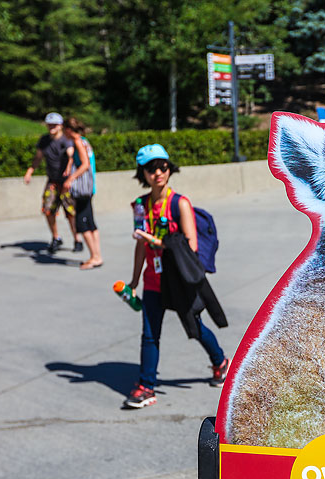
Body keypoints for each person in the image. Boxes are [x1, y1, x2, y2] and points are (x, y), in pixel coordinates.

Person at [123, 144, 230, 409]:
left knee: (195, 327)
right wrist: (134, 280)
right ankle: (146, 387)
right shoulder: (140, 206)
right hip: (153, 280)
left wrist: (157, 242)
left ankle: (220, 361)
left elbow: (190, 246)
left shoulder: (179, 203)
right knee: (149, 334)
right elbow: (140, 246)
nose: (158, 173)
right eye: (151, 169)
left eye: (163, 167)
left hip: (178, 279)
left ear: (170, 169)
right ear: (143, 173)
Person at [23, 112, 81, 254]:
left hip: (66, 181)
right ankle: (56, 237)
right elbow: (38, 158)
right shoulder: (44, 140)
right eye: (49, 125)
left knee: (70, 212)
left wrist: (69, 167)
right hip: (53, 180)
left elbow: (71, 154)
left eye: (54, 125)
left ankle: (77, 239)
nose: (52, 127)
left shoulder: (66, 140)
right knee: (48, 209)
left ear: (60, 126)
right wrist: (30, 171)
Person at [62, 117, 103, 269]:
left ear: (68, 130)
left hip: (82, 189)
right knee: (91, 222)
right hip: (89, 188)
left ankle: (94, 257)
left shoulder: (78, 142)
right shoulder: (84, 141)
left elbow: (85, 164)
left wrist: (70, 179)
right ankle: (97, 255)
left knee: (82, 223)